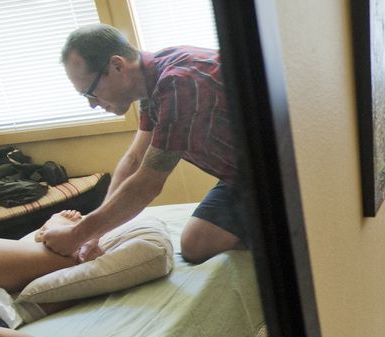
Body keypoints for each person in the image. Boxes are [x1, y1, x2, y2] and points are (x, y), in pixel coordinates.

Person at [39, 24, 246, 264]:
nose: (92, 105)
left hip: (282, 169)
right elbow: (135, 160)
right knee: (195, 246)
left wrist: (77, 235)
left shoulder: (179, 83)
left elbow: (148, 183)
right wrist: (94, 234)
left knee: (197, 245)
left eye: (90, 92)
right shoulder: (151, 83)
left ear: (117, 66)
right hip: (238, 175)